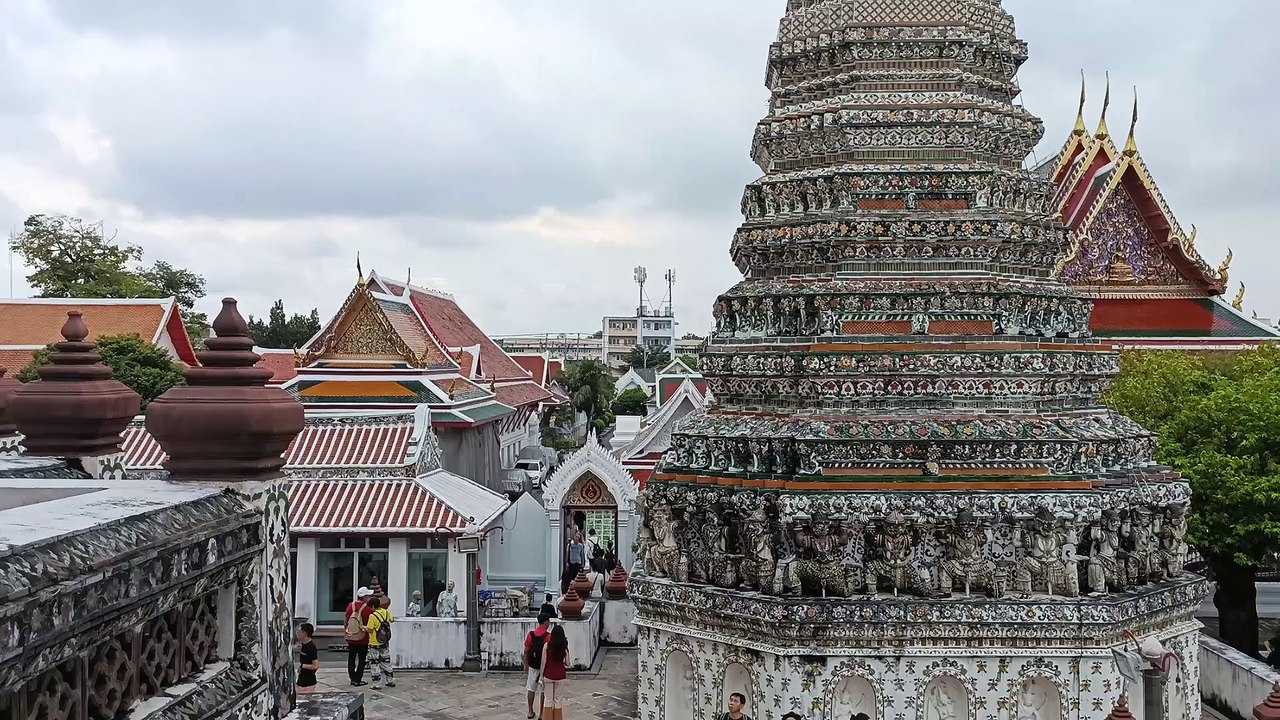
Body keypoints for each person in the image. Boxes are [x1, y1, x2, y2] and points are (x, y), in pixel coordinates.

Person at [344, 587, 375, 686]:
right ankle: (358, 679)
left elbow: (346, 619)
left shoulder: (350, 606)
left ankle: (352, 678)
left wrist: (346, 630)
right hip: (362, 638)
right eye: (368, 596)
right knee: (362, 659)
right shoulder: (367, 609)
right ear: (364, 597)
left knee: (351, 658)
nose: (369, 597)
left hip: (351, 636)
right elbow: (369, 623)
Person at [524, 613, 552, 719]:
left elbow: (526, 651)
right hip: (544, 667)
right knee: (543, 691)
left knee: (531, 689)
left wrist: (525, 665)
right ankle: (541, 714)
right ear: (546, 622)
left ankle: (530, 711)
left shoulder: (531, 635)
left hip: (532, 666)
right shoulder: (548, 636)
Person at [538, 625, 570, 720]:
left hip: (548, 675)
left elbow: (543, 663)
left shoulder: (547, 646)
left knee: (548, 699)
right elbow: (568, 663)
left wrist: (541, 676)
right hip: (560, 676)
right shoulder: (564, 647)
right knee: (558, 700)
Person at [366, 595, 396, 689]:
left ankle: (376, 683)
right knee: (386, 661)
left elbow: (370, 630)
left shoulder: (372, 616)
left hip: (374, 642)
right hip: (385, 641)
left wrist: (364, 628)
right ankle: (390, 680)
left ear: (373, 606)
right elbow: (392, 620)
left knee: (374, 663)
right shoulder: (386, 612)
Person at [296, 623, 319, 693]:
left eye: (300, 631)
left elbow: (316, 666)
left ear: (305, 633)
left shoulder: (311, 647)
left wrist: (303, 666)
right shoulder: (303, 644)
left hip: (309, 681)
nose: (297, 633)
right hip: (301, 678)